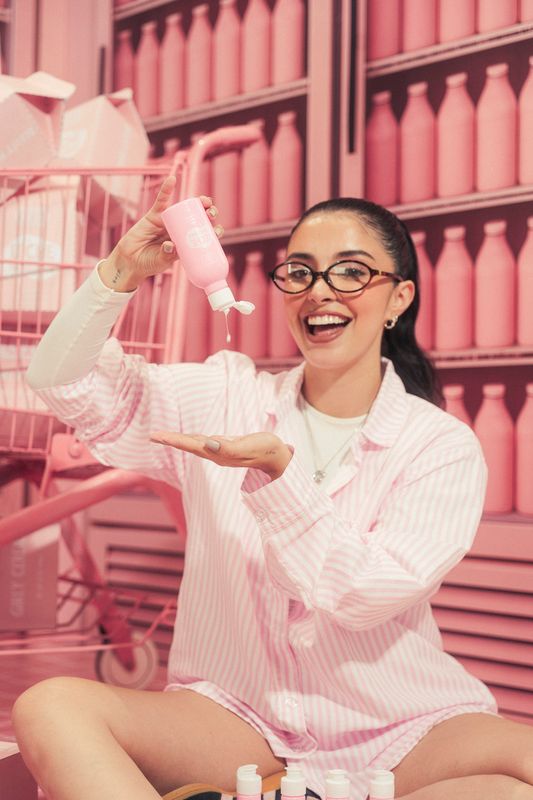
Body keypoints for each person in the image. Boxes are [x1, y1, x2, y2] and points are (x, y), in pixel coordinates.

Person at [13, 177, 533, 800]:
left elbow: (365, 594)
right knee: (51, 707)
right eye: (301, 272)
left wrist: (282, 479)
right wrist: (122, 270)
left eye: (350, 272)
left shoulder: (440, 445)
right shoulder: (227, 395)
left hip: (399, 727)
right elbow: (61, 382)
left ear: (398, 298)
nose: (320, 291)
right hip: (239, 721)